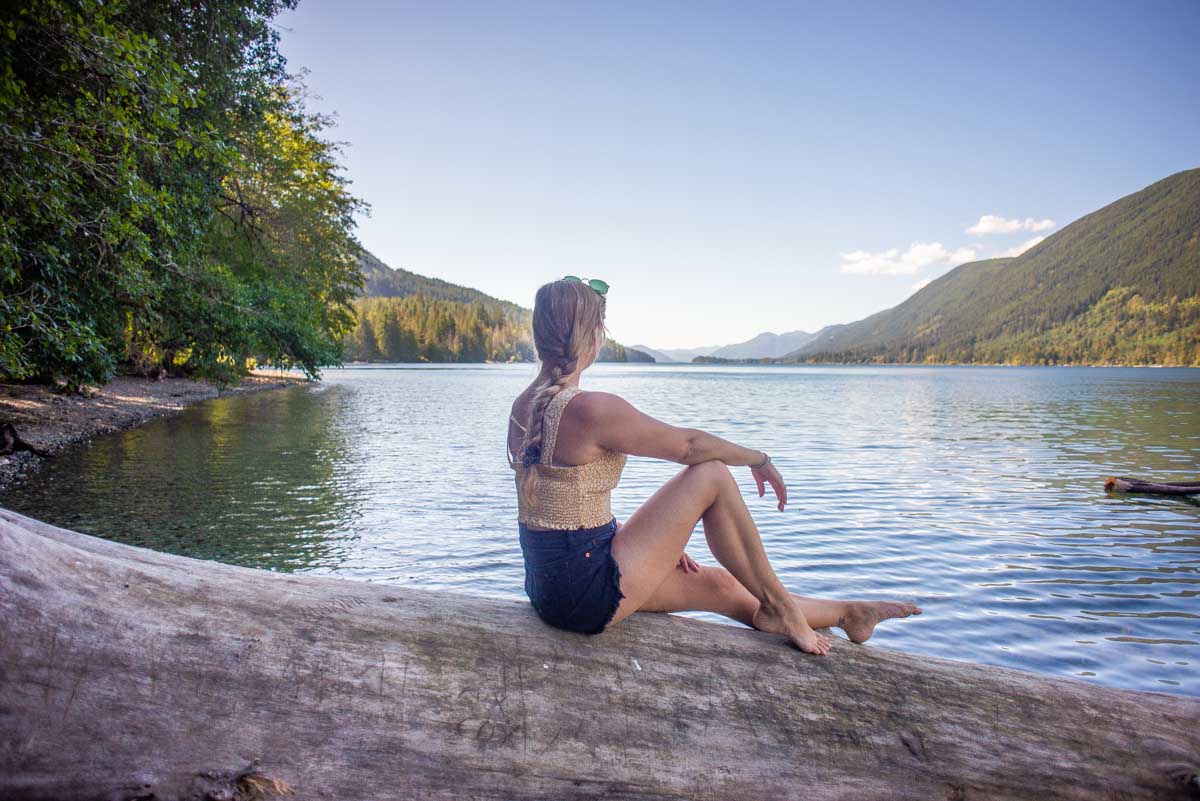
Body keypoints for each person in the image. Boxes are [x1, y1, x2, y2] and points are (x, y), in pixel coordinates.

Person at [506, 276, 921, 654]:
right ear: (593, 337)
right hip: (586, 592)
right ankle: (785, 609)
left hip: (552, 589)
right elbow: (689, 447)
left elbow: (561, 515)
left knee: (722, 585)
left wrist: (659, 544)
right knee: (712, 474)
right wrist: (760, 459)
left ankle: (848, 613)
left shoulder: (522, 407)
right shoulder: (589, 409)